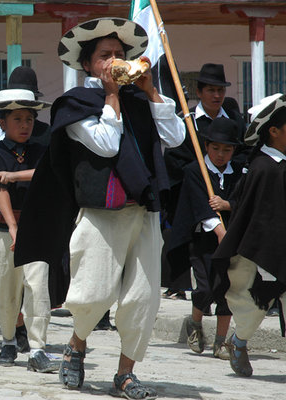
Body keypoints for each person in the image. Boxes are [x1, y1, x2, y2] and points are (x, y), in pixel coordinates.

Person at [16, 17, 185, 397]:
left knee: (142, 298)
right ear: (89, 65)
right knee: (92, 293)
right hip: (100, 212)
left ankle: (125, 373)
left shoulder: (142, 101)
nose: (114, 60)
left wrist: (152, 93)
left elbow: (175, 138)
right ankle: (76, 344)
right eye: (105, 55)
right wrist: (111, 97)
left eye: (119, 54)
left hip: (145, 211)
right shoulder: (74, 105)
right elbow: (107, 144)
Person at [0, 88, 59, 373]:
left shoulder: (42, 150)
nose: (24, 125)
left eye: (29, 119)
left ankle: (37, 348)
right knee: (5, 290)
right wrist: (12, 228)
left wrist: (15, 174)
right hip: (2, 231)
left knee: (37, 289)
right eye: (17, 119)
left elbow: (46, 174)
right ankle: (8, 341)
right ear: (2, 123)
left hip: (36, 229)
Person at [214, 93, 286, 377]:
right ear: (274, 131)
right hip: (256, 253)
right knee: (252, 308)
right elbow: (252, 213)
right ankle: (238, 342)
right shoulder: (263, 168)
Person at [167, 117, 244, 360]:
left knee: (226, 289)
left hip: (233, 239)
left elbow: (245, 201)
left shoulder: (240, 172)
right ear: (206, 147)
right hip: (203, 240)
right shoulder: (194, 171)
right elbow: (200, 206)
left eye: (227, 149)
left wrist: (228, 205)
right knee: (206, 286)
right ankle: (195, 322)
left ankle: (221, 343)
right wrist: (220, 231)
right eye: (215, 148)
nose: (221, 154)